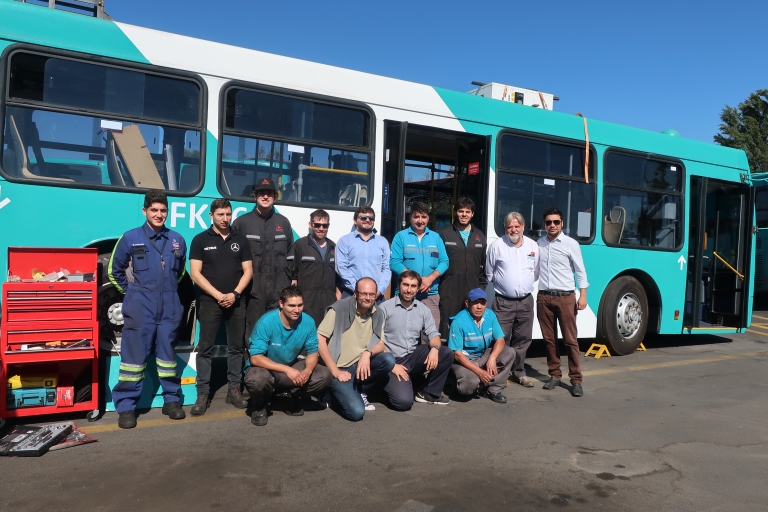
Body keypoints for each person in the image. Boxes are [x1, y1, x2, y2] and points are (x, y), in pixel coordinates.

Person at [109, 190, 188, 429]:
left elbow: (180, 272)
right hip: (140, 308)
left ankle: (171, 401)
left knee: (167, 358)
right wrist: (133, 293)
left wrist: (169, 293)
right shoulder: (130, 238)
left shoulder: (177, 239)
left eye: (163, 210)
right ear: (144, 211)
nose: (159, 214)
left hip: (169, 309)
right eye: (154, 210)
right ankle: (126, 407)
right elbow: (115, 270)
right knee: (133, 361)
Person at [188, 198, 253, 415]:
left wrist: (234, 294)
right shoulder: (199, 240)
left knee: (236, 348)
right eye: (220, 215)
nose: (225, 219)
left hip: (236, 301)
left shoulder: (241, 239)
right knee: (205, 348)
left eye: (228, 214)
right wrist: (218, 295)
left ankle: (234, 389)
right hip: (209, 302)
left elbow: (248, 271)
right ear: (211, 216)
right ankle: (202, 394)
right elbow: (195, 274)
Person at [244, 286, 332, 426]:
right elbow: (255, 358)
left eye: (300, 305)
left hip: (290, 368)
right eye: (291, 305)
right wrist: (287, 370)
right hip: (267, 369)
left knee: (324, 374)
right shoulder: (266, 322)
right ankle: (260, 405)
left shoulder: (308, 322)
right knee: (257, 378)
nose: (296, 310)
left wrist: (307, 371)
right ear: (281, 304)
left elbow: (312, 352)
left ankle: (289, 396)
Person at [316, 277, 395, 421]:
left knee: (388, 359)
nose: (368, 298)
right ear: (355, 293)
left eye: (371, 294)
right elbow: (319, 339)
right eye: (364, 293)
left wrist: (367, 354)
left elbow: (381, 343)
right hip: (339, 368)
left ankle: (361, 391)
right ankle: (329, 390)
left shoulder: (378, 312)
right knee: (356, 413)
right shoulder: (339, 309)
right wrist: (335, 371)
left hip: (359, 365)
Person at [379, 271, 454, 410]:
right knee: (403, 403)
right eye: (406, 285)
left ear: (418, 287)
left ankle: (429, 392)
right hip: (391, 360)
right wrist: (392, 366)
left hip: (413, 356)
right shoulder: (384, 308)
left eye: (413, 286)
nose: (409, 289)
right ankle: (385, 385)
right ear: (398, 285)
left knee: (446, 353)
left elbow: (434, 335)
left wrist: (434, 350)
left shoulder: (423, 309)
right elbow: (376, 339)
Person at [232, 178, 294, 338]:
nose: (265, 197)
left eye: (269, 194)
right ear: (255, 196)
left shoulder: (284, 222)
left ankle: (273, 362)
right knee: (254, 330)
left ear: (275, 196)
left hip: (278, 290)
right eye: (261, 193)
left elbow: (290, 255)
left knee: (277, 331)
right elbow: (233, 257)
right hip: (253, 291)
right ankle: (252, 362)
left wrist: (292, 280)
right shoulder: (242, 223)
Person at [537, 206, 589, 398]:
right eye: (549, 222)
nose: (552, 225)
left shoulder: (570, 244)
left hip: (566, 298)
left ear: (562, 224)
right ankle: (554, 375)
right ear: (545, 224)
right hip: (544, 297)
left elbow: (581, 271)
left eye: (556, 222)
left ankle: (576, 380)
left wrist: (582, 295)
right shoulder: (539, 244)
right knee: (549, 340)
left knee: (570, 340)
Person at [486, 211, 539, 389]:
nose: (514, 229)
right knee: (502, 338)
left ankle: (519, 373)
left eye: (517, 226)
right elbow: (489, 273)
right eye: (510, 226)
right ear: (505, 228)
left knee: (523, 339)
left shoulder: (533, 246)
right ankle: (501, 374)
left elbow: (536, 271)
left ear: (523, 227)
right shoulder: (496, 246)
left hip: (525, 301)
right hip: (503, 302)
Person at [448, 289, 516, 404]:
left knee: (510, 352)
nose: (479, 307)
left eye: (482, 303)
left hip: (483, 355)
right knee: (467, 387)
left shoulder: (490, 315)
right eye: (475, 303)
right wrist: (480, 372)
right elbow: (457, 354)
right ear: (467, 303)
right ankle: (458, 380)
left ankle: (493, 389)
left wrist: (492, 358)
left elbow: (500, 339)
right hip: (465, 360)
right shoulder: (458, 321)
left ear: (486, 304)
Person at [389, 201, 449, 332]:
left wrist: (430, 279)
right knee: (402, 333)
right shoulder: (401, 237)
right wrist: (414, 281)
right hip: (406, 294)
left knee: (430, 334)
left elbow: (445, 261)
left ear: (428, 218)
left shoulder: (436, 237)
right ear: (410, 218)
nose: (420, 221)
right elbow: (394, 262)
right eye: (416, 217)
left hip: (430, 294)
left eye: (424, 217)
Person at [438, 197, 487, 339]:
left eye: (467, 211)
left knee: (468, 326)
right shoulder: (443, 234)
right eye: (460, 211)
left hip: (472, 291)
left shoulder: (480, 236)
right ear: (455, 212)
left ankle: (466, 357)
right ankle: (445, 357)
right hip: (448, 291)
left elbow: (483, 267)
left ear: (472, 214)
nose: (464, 214)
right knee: (446, 329)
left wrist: (481, 288)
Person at [291, 209, 340, 326]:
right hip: (307, 301)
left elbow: (338, 277)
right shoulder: (300, 245)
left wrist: (337, 297)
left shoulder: (334, 247)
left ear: (328, 226)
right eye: (317, 225)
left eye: (324, 225)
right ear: (310, 225)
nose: (321, 228)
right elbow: (293, 275)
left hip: (329, 301)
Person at [335, 206, 390, 301]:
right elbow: (341, 267)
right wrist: (358, 289)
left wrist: (379, 290)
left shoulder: (383, 242)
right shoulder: (345, 241)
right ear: (355, 220)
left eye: (371, 218)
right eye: (363, 218)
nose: (367, 220)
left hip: (376, 295)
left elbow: (386, 269)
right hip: (351, 293)